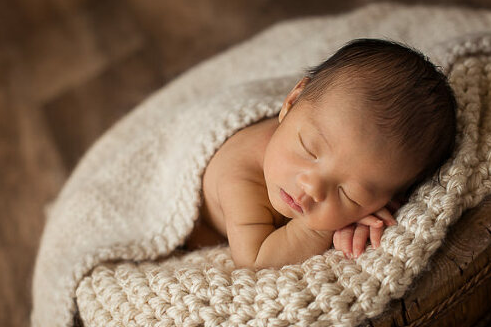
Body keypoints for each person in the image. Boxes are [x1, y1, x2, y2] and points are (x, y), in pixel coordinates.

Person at [183, 38, 457, 270]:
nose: (312, 187)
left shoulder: (368, 172)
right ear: (290, 102)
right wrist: (320, 228)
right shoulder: (241, 176)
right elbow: (255, 261)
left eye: (349, 194)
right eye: (308, 150)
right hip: (198, 216)